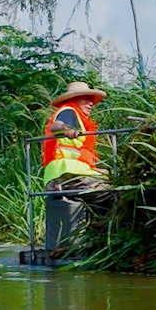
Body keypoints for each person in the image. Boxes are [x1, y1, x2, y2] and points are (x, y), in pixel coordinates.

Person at [38, 80, 110, 259]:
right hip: (66, 176)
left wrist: (99, 171)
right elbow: (56, 127)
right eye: (86, 99)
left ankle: (95, 236)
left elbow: (79, 156)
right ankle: (103, 239)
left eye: (92, 100)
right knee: (112, 194)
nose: (90, 103)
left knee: (110, 181)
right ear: (74, 99)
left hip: (71, 174)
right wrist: (66, 130)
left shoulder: (78, 118)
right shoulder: (68, 111)